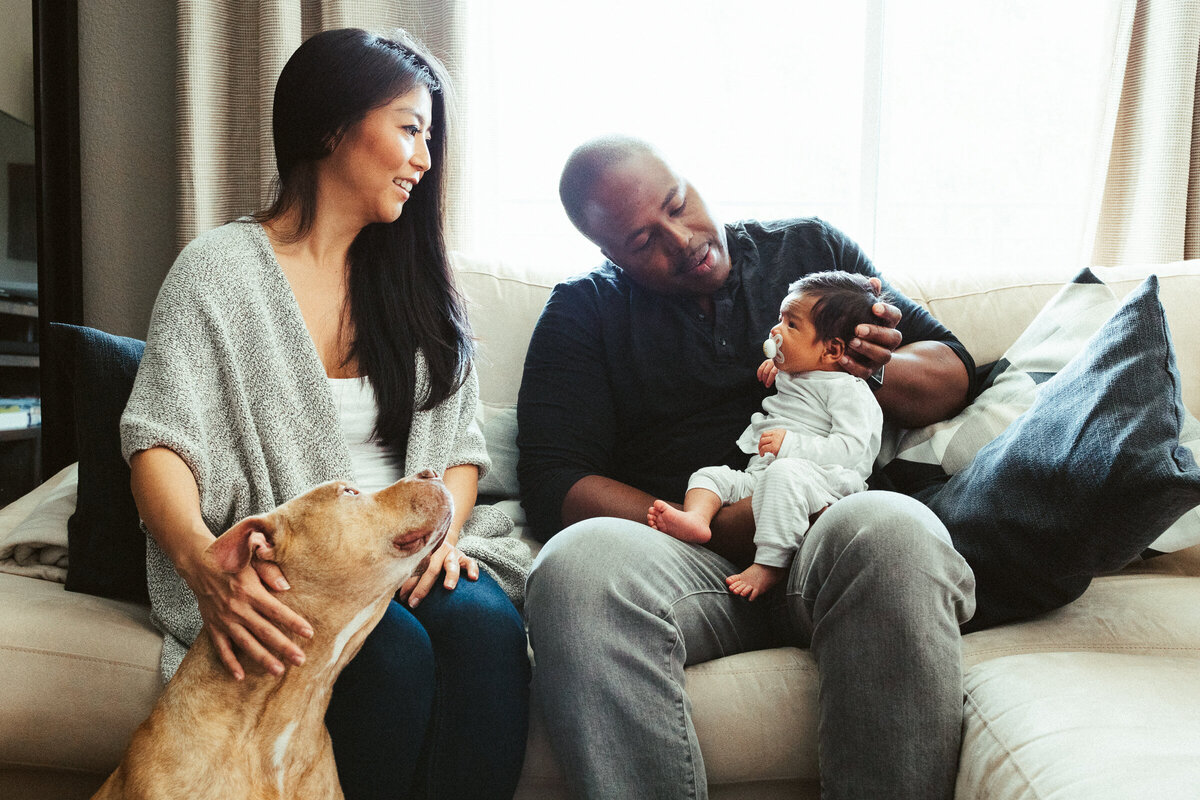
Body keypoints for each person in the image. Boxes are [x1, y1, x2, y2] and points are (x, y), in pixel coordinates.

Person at [120, 28, 530, 800]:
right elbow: (159, 439)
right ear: (332, 126)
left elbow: (462, 452)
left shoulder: (418, 286)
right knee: (392, 654)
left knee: (485, 628)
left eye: (429, 138)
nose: (425, 159)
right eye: (410, 129)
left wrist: (441, 536)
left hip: (410, 545)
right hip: (300, 562)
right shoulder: (219, 272)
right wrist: (201, 562)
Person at [517, 135, 977, 799]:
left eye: (678, 204)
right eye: (644, 241)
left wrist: (871, 367)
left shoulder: (810, 252)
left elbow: (951, 377)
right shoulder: (584, 311)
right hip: (690, 559)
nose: (682, 240)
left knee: (897, 526)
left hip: (831, 539)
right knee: (573, 569)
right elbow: (556, 483)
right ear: (609, 254)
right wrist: (721, 525)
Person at [647, 271, 886, 600]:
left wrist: (791, 445)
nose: (776, 330)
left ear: (832, 351)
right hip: (766, 474)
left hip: (825, 482)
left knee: (783, 474)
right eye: (780, 318)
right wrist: (783, 365)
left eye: (791, 325)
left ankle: (772, 564)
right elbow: (801, 379)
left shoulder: (848, 390)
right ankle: (697, 519)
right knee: (710, 476)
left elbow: (852, 450)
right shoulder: (802, 370)